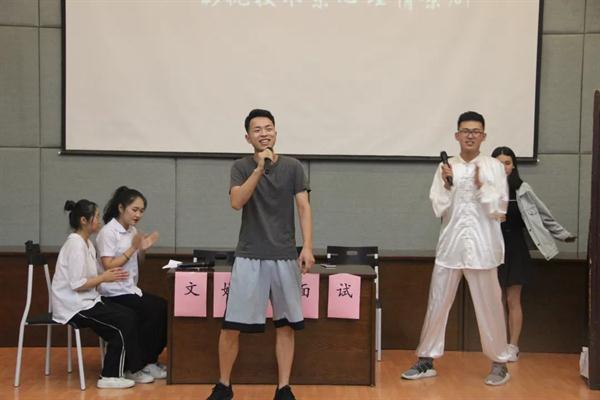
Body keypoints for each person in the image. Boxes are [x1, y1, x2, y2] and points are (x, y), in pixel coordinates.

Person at [207, 109, 315, 400]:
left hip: (284, 255)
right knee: (231, 326)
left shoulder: (293, 167)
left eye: (268, 128)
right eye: (257, 130)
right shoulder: (240, 166)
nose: (264, 133)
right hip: (249, 255)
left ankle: (283, 387)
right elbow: (237, 202)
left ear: (276, 132)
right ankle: (224, 385)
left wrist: (307, 246)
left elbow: (303, 207)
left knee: (286, 325)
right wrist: (258, 169)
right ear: (248, 137)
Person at [401, 111, 511, 386]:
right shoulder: (446, 166)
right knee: (437, 303)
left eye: (475, 131)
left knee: (491, 306)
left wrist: (481, 186)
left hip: (484, 249)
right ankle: (426, 360)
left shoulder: (494, 167)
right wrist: (447, 184)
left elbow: (500, 209)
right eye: (465, 131)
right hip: (450, 247)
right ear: (457, 135)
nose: (470, 135)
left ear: (483, 136)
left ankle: (499, 362)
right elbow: (438, 207)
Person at [491, 146, 576, 362]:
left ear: (514, 166)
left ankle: (513, 346)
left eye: (507, 163)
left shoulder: (522, 189)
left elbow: (542, 214)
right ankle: (498, 345)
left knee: (513, 299)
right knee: (496, 300)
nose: (504, 167)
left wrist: (562, 234)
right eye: (499, 163)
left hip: (516, 248)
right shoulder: (485, 190)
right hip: (492, 249)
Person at [51, 199, 146, 389]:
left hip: (88, 300)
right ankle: (109, 375)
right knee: (123, 321)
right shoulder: (75, 245)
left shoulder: (87, 243)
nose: (99, 220)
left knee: (129, 314)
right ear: (84, 220)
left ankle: (129, 368)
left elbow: (91, 277)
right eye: (96, 217)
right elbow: (77, 284)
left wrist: (106, 277)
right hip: (75, 306)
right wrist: (104, 278)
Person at [96, 186, 167, 383]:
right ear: (121, 208)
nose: (138, 215)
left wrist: (143, 249)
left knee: (162, 308)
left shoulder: (132, 231)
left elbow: (137, 262)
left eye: (141, 211)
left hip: (129, 289)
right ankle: (135, 365)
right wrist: (133, 248)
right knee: (151, 311)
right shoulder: (108, 232)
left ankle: (148, 360)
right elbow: (108, 265)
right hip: (111, 291)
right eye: (134, 210)